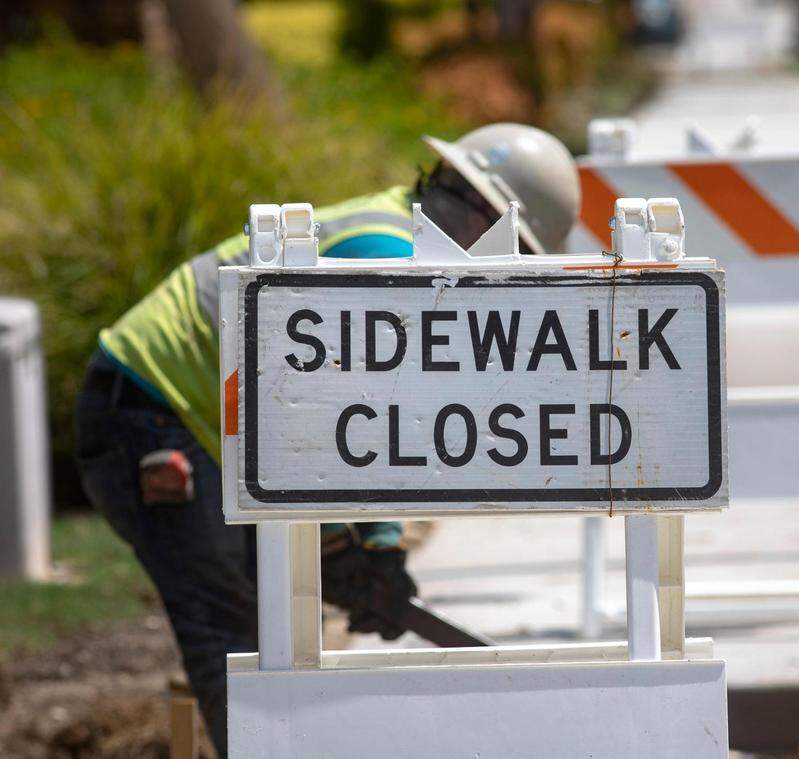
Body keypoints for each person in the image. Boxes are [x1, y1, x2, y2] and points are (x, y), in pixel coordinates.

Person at [74, 123, 581, 756]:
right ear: (489, 221)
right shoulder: (389, 257)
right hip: (152, 409)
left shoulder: (406, 242)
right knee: (233, 627)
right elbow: (324, 428)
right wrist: (349, 546)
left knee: (278, 627)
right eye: (520, 255)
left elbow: (373, 433)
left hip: (205, 417)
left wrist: (377, 548)